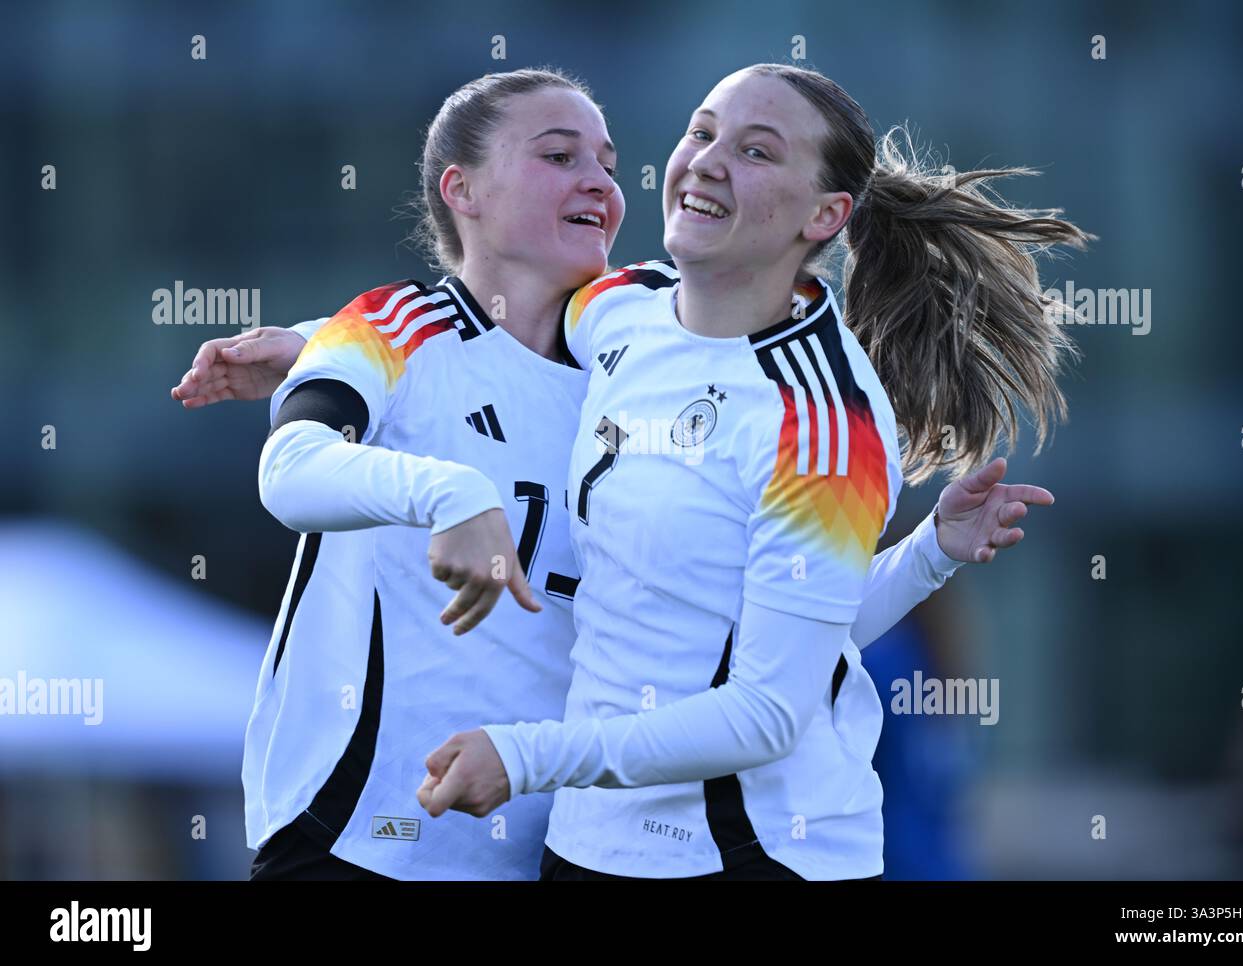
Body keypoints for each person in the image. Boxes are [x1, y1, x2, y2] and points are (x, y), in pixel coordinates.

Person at [172, 68, 1050, 881]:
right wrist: (323, 358)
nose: (604, 180)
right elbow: (328, 442)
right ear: (462, 190)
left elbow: (768, 673)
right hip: (388, 843)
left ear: (826, 215)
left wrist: (926, 557)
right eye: (560, 157)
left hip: (627, 845)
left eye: (609, 162)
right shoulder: (588, 318)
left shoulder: (770, 394)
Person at [414, 63, 1089, 880]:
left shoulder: (823, 423)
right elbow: (487, 326)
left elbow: (768, 709)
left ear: (825, 214)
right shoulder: (617, 307)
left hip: (748, 857)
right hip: (585, 846)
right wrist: (324, 356)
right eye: (702, 132)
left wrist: (527, 757)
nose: (706, 161)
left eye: (756, 151)